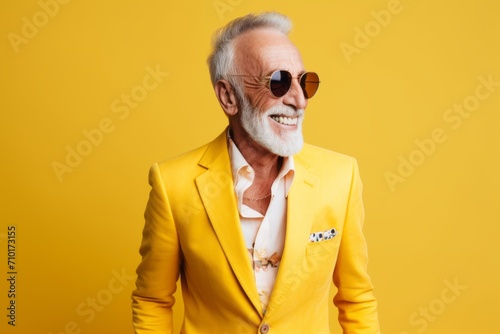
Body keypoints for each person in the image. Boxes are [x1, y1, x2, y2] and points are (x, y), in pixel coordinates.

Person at [132, 12, 380, 334]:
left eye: (306, 82)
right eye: (278, 82)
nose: (299, 100)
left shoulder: (340, 178)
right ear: (228, 96)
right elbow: (153, 300)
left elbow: (356, 298)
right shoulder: (172, 184)